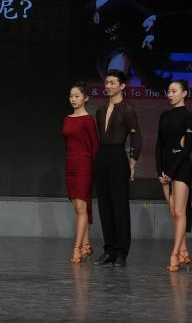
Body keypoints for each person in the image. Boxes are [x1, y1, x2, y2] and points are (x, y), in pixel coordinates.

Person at [92, 70, 141, 267]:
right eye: (107, 82)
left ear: (122, 86)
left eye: (112, 83)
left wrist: (132, 162)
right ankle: (109, 250)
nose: (108, 86)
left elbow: (136, 138)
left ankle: (121, 252)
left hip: (118, 156)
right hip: (102, 156)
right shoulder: (100, 110)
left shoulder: (127, 110)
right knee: (104, 206)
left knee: (120, 206)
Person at [156, 80, 192, 272]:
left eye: (174, 91)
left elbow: (187, 148)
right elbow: (159, 145)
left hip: (181, 168)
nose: (170, 94)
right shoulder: (164, 115)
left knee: (179, 212)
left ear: (184, 93)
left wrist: (171, 173)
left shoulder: (188, 116)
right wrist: (160, 171)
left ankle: (175, 254)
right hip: (165, 170)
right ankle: (184, 251)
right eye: (169, 91)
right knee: (173, 211)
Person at [63, 81, 99, 264]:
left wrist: (94, 168)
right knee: (76, 207)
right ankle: (86, 245)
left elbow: (95, 146)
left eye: (77, 96)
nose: (73, 99)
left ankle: (77, 248)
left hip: (84, 165)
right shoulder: (67, 118)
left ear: (86, 98)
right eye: (71, 96)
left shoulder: (88, 120)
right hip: (70, 165)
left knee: (81, 208)